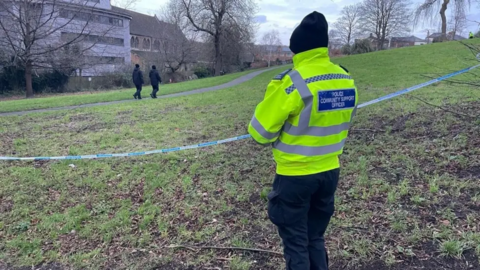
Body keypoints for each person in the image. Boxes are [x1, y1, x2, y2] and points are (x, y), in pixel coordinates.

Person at [248, 11, 358, 270]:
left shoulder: (292, 81)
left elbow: (259, 133)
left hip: (295, 175)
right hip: (330, 172)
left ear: (296, 49)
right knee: (315, 238)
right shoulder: (345, 78)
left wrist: (273, 92)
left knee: (296, 243)